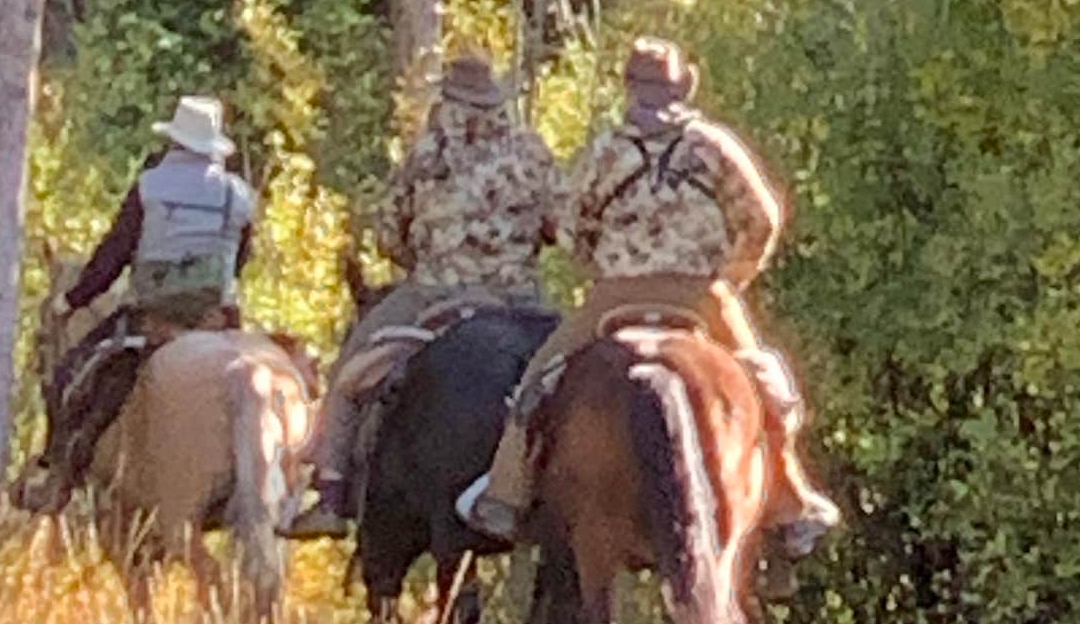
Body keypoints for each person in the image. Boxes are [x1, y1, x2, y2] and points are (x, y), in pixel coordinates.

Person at [456, 39, 840, 555]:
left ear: (629, 88)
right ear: (682, 86)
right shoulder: (712, 145)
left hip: (615, 297)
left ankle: (505, 495)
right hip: (702, 295)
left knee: (535, 386)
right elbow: (762, 218)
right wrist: (732, 276)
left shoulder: (604, 149)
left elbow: (569, 226)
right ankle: (792, 503)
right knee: (768, 386)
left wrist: (602, 267)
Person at [284, 54, 560, 535]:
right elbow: (561, 224)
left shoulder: (428, 154)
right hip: (522, 301)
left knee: (351, 372)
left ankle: (330, 492)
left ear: (449, 100)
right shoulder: (532, 152)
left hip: (436, 292)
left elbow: (390, 235)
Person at [47, 95, 257, 479]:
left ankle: (60, 470)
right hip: (216, 315)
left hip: (153, 312)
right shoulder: (239, 195)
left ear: (176, 141)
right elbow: (242, 258)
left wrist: (74, 299)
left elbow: (115, 253)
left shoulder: (150, 186)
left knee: (71, 375)